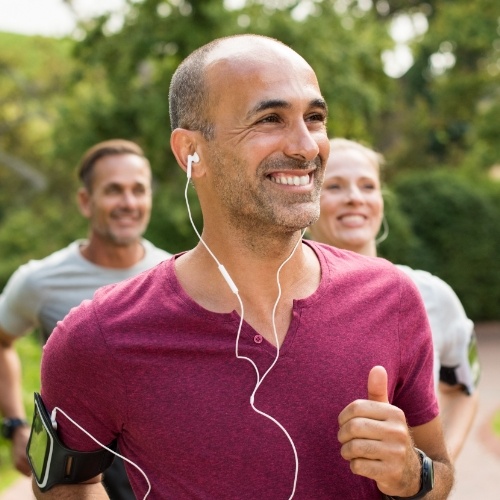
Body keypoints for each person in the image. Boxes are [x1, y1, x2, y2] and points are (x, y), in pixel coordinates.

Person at [33, 35, 453, 499]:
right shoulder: (99, 336)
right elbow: (62, 489)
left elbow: (443, 474)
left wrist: (415, 475)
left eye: (314, 118)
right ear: (190, 153)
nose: (306, 147)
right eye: (270, 119)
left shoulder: (391, 297)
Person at [0, 139, 171, 499]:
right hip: (74, 475)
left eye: (138, 190)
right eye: (113, 190)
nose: (128, 202)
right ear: (84, 201)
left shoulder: (174, 276)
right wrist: (15, 424)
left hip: (155, 475)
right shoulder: (40, 281)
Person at [307, 137, 480, 461]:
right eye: (335, 187)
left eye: (368, 186)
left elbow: (464, 389)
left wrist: (430, 475)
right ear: (309, 198)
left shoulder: (432, 295)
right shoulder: (278, 300)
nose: (355, 198)